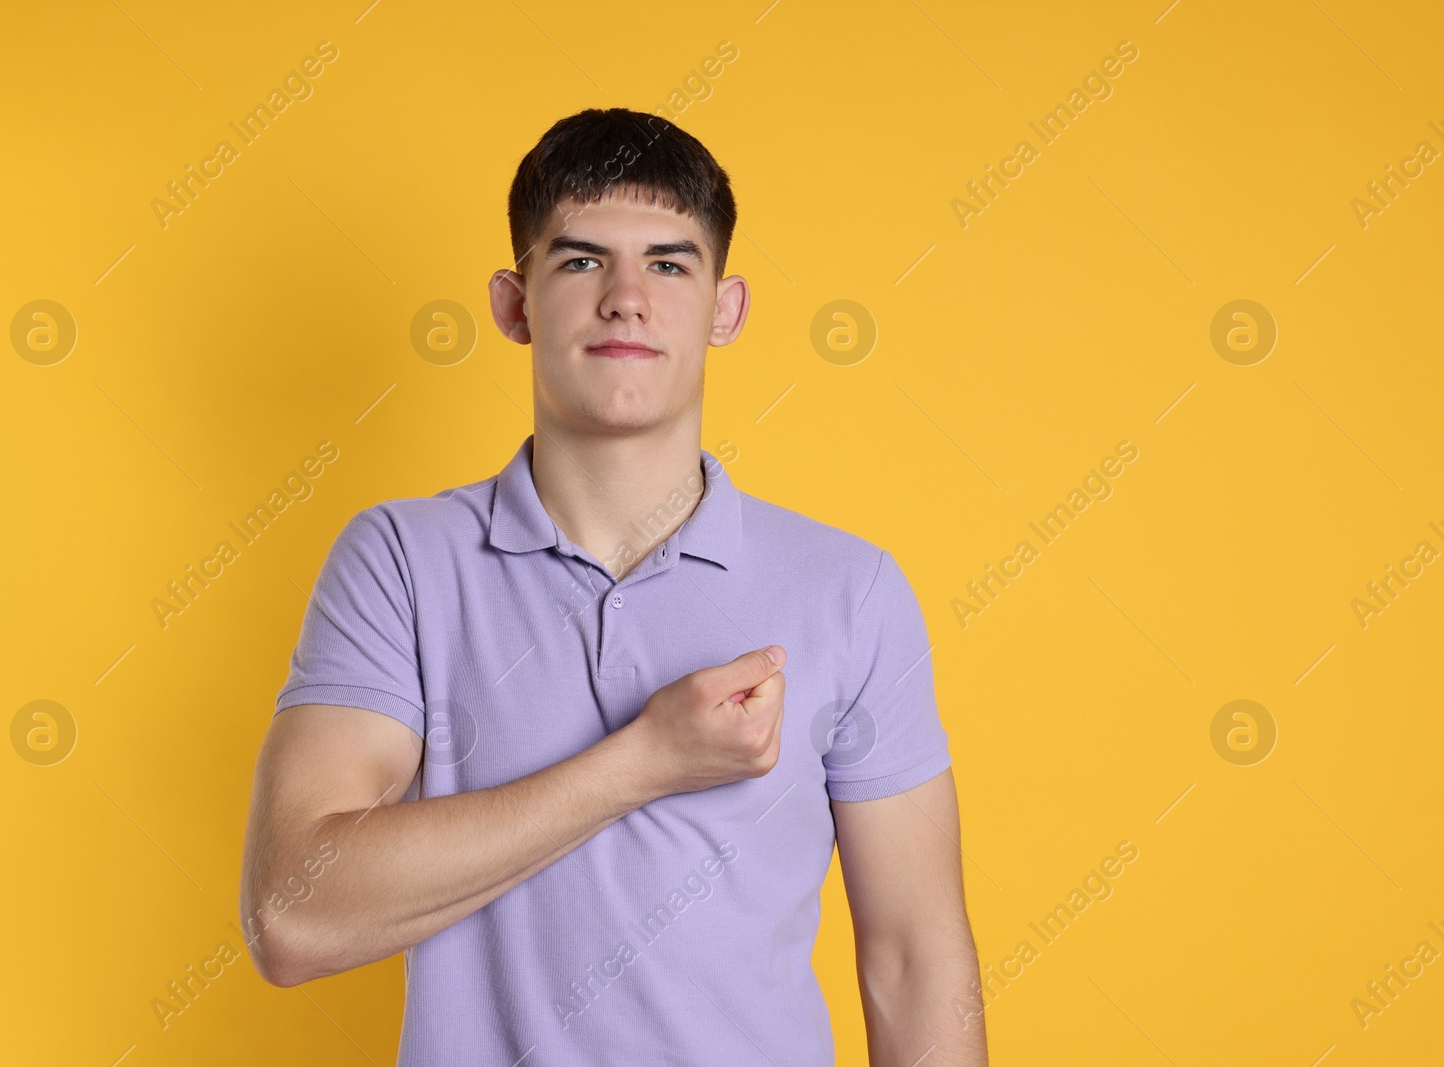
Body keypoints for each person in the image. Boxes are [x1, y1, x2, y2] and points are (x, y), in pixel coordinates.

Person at [240, 107, 987, 1065]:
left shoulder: (851, 588)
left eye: (670, 264)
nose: (627, 298)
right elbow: (293, 917)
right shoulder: (400, 561)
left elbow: (916, 959)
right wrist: (644, 761)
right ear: (516, 304)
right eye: (582, 261)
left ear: (726, 309)